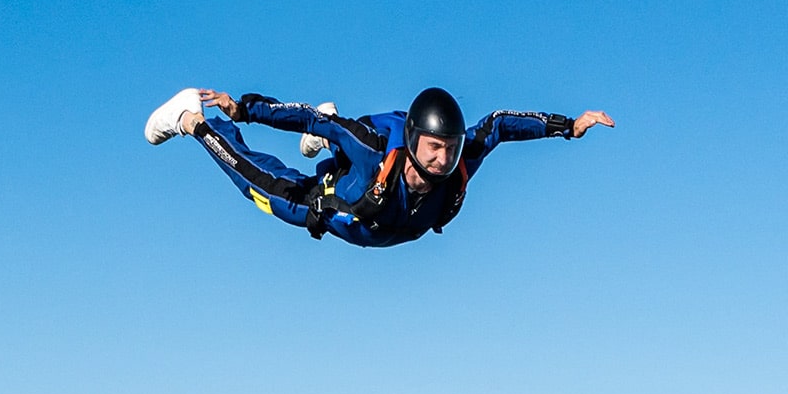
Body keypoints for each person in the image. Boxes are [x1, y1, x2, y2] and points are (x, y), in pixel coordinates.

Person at [144, 86, 614, 248]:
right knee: (260, 188)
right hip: (345, 184)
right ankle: (193, 120)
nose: (442, 159)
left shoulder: (457, 161)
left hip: (377, 205)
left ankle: (323, 146)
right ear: (414, 141)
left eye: (449, 148)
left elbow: (498, 125)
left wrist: (568, 126)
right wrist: (243, 108)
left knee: (336, 145)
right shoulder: (374, 149)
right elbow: (306, 116)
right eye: (433, 148)